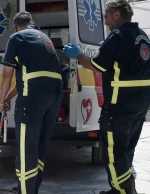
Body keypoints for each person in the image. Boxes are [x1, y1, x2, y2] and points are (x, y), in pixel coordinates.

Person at [62, 1, 150, 194]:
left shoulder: (117, 37)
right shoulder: (143, 37)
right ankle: (118, 189)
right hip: (140, 107)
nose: (105, 21)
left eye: (107, 16)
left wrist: (78, 55)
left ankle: (126, 191)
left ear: (117, 14)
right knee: (126, 152)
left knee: (113, 155)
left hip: (119, 108)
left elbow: (97, 66)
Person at [0, 12, 63, 194]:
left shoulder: (16, 38)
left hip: (32, 100)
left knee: (26, 148)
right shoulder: (45, 39)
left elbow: (7, 75)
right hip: (53, 97)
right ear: (32, 23)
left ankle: (25, 191)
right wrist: (9, 98)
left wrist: (1, 101)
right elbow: (26, 78)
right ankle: (30, 187)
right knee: (40, 145)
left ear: (15, 26)